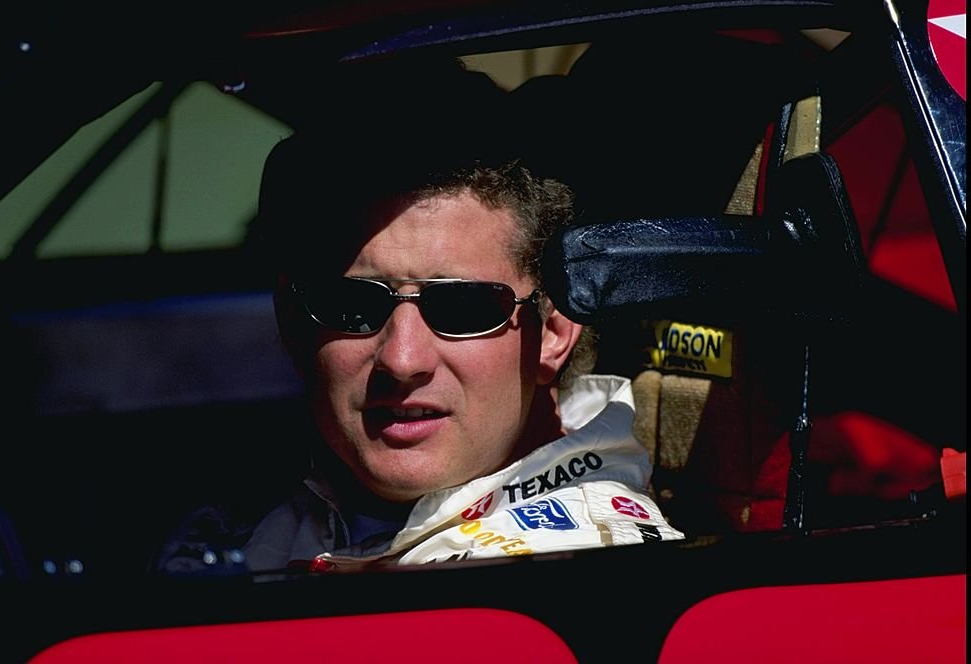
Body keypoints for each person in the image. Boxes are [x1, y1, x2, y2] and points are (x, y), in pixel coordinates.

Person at [154, 56, 683, 574]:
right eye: (352, 305)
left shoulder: (593, 568)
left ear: (556, 327)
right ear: (290, 322)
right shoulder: (229, 531)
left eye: (463, 306)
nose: (403, 359)